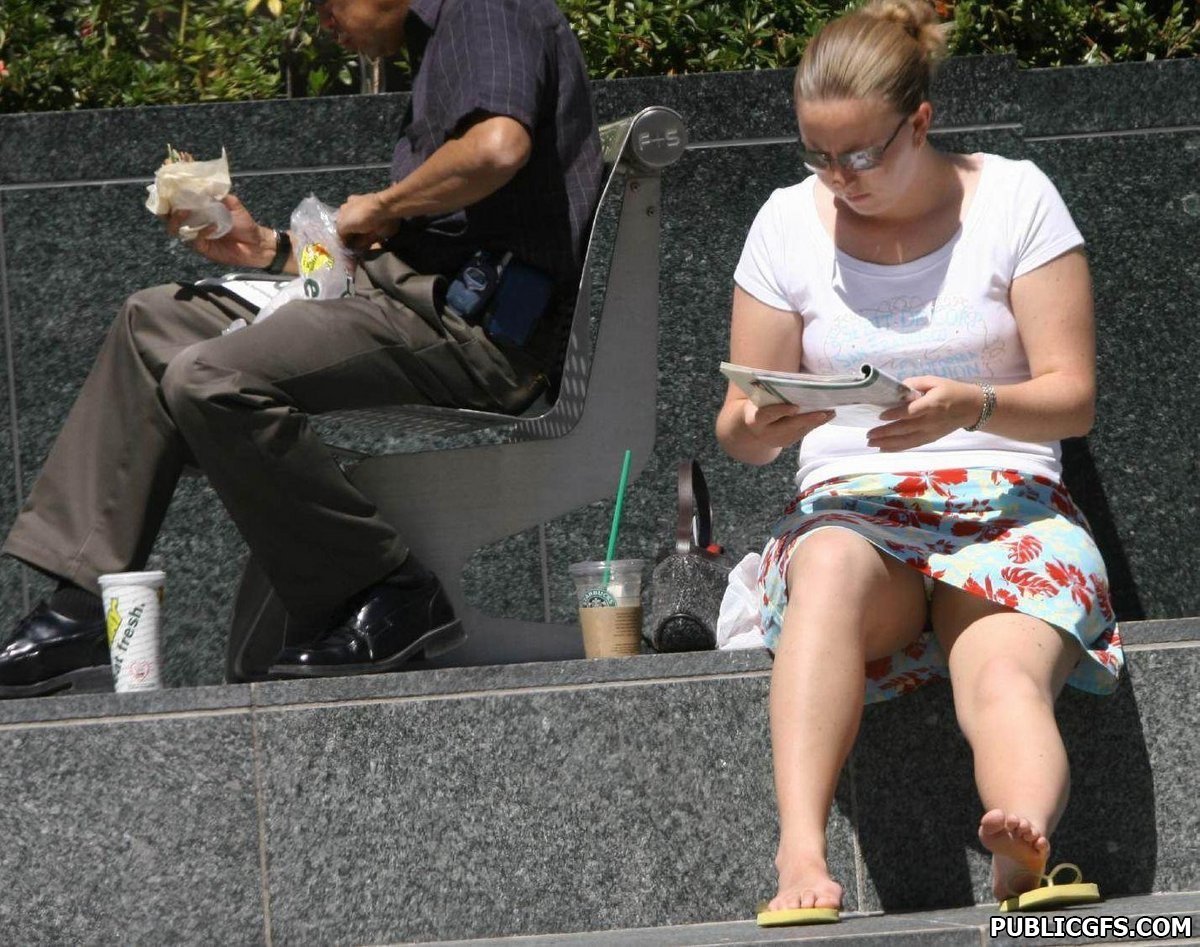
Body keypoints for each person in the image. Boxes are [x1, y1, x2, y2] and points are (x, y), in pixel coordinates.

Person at [0, 0, 603, 697]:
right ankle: (80, 609)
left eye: (324, 4)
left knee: (210, 376)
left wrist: (386, 203)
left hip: (475, 336)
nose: (324, 24)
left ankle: (384, 589)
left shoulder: (484, 9)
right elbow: (413, 247)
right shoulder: (439, 42)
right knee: (151, 324)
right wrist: (266, 249)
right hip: (403, 301)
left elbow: (497, 149)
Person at [715, 0, 1124, 923]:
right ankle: (799, 850)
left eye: (862, 154)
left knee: (1004, 672)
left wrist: (973, 404)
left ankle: (1024, 838)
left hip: (1007, 503)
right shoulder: (785, 223)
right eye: (818, 155)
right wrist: (766, 421)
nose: (839, 177)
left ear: (920, 122)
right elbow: (736, 430)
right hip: (853, 508)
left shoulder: (1015, 198)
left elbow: (1074, 395)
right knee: (826, 565)